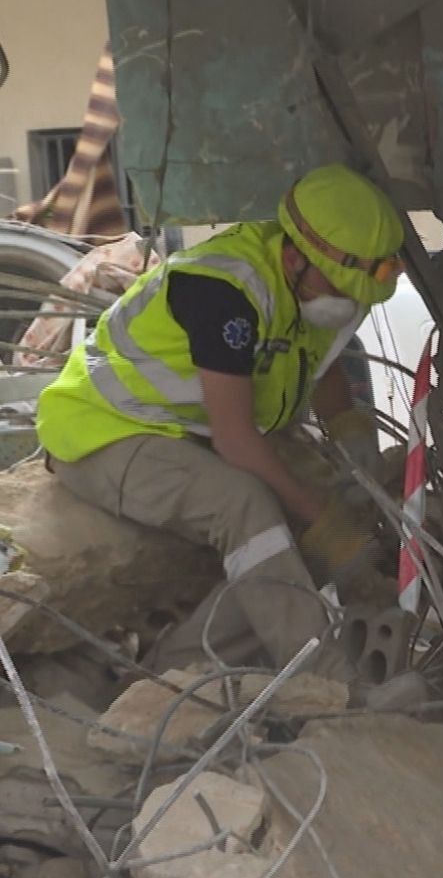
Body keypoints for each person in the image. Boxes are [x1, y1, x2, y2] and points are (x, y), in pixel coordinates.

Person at [36, 163, 400, 673]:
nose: (348, 303)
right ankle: (330, 680)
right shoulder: (225, 290)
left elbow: (324, 360)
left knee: (312, 509)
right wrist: (324, 519)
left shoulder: (333, 287)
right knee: (245, 503)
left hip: (189, 432)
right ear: (293, 256)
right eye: (337, 287)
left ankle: (182, 668)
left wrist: (353, 441)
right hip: (104, 428)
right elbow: (236, 441)